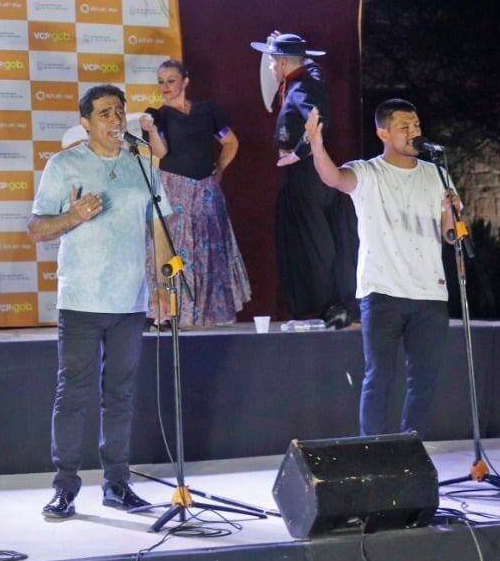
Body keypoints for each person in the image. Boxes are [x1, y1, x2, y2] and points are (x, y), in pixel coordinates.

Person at [28, 84, 173, 519]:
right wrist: (73, 216)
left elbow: (160, 227)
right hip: (81, 300)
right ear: (86, 123)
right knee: (72, 394)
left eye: (119, 112)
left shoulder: (143, 165)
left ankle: (117, 484)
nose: (115, 120)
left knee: (121, 396)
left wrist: (164, 283)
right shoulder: (63, 164)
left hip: (130, 300)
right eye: (105, 113)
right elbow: (36, 228)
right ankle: (65, 488)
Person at [305, 99, 456, 438]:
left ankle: (411, 447)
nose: (414, 132)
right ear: (383, 132)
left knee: (425, 378)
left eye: (416, 125)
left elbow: (451, 235)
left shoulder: (437, 174)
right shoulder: (368, 171)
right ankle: (372, 451)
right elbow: (333, 178)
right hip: (382, 291)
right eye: (405, 127)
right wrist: (317, 147)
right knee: (380, 375)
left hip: (430, 292)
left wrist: (453, 216)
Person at [252, 31, 357, 329]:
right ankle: (330, 305)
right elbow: (311, 73)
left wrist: (299, 153)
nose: (271, 68)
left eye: (273, 61)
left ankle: (334, 306)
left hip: (308, 173)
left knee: (316, 241)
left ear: (283, 62)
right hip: (306, 172)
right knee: (314, 239)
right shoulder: (303, 79)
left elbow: (320, 120)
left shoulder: (302, 86)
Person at [143, 59, 251, 327]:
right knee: (171, 249)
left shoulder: (208, 111)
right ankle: (167, 314)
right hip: (174, 191)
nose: (165, 87)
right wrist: (152, 131)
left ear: (185, 81)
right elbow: (161, 153)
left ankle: (207, 314)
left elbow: (229, 142)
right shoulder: (157, 116)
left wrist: (220, 169)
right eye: (161, 82)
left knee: (208, 250)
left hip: (206, 192)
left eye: (170, 80)